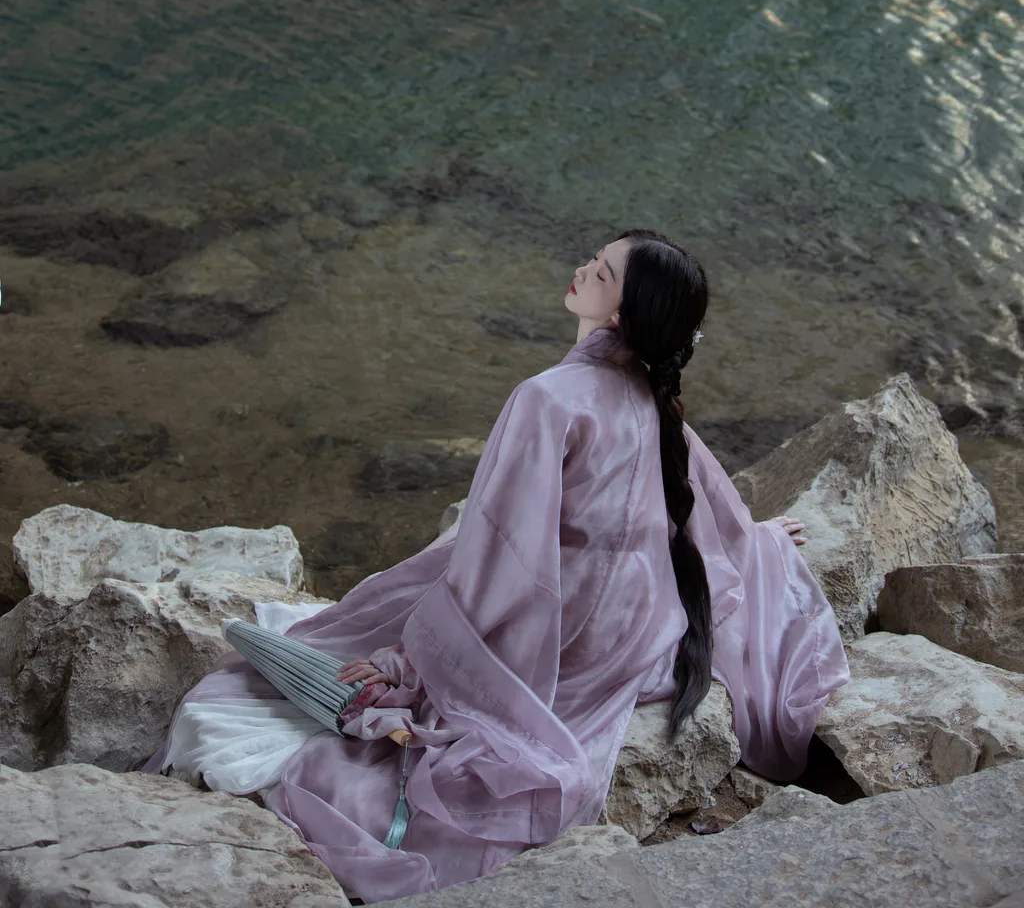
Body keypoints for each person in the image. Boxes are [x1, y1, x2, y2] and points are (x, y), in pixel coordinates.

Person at [144, 228, 848, 902]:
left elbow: (504, 562)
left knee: (368, 621)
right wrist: (753, 540)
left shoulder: (547, 398)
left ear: (620, 312)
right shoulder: (650, 394)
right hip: (631, 627)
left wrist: (408, 662)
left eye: (601, 271)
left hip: (561, 625)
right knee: (418, 581)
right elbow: (696, 497)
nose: (582, 269)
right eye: (594, 257)